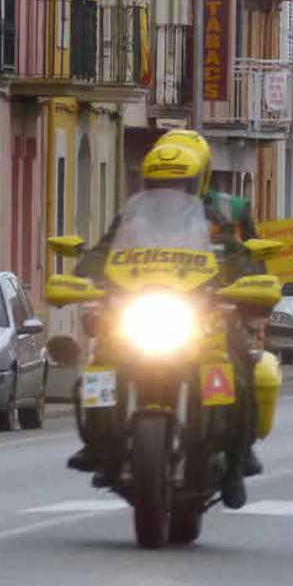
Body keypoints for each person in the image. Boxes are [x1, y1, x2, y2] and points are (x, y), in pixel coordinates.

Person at [68, 131, 259, 508]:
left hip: (202, 316)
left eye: (177, 182)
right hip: (138, 313)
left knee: (240, 366)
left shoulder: (219, 215)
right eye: (160, 182)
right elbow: (102, 252)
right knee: (99, 368)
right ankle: (99, 443)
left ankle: (237, 460)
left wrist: (246, 289)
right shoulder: (133, 216)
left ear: (198, 180)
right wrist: (82, 277)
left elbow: (245, 258)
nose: (168, 189)